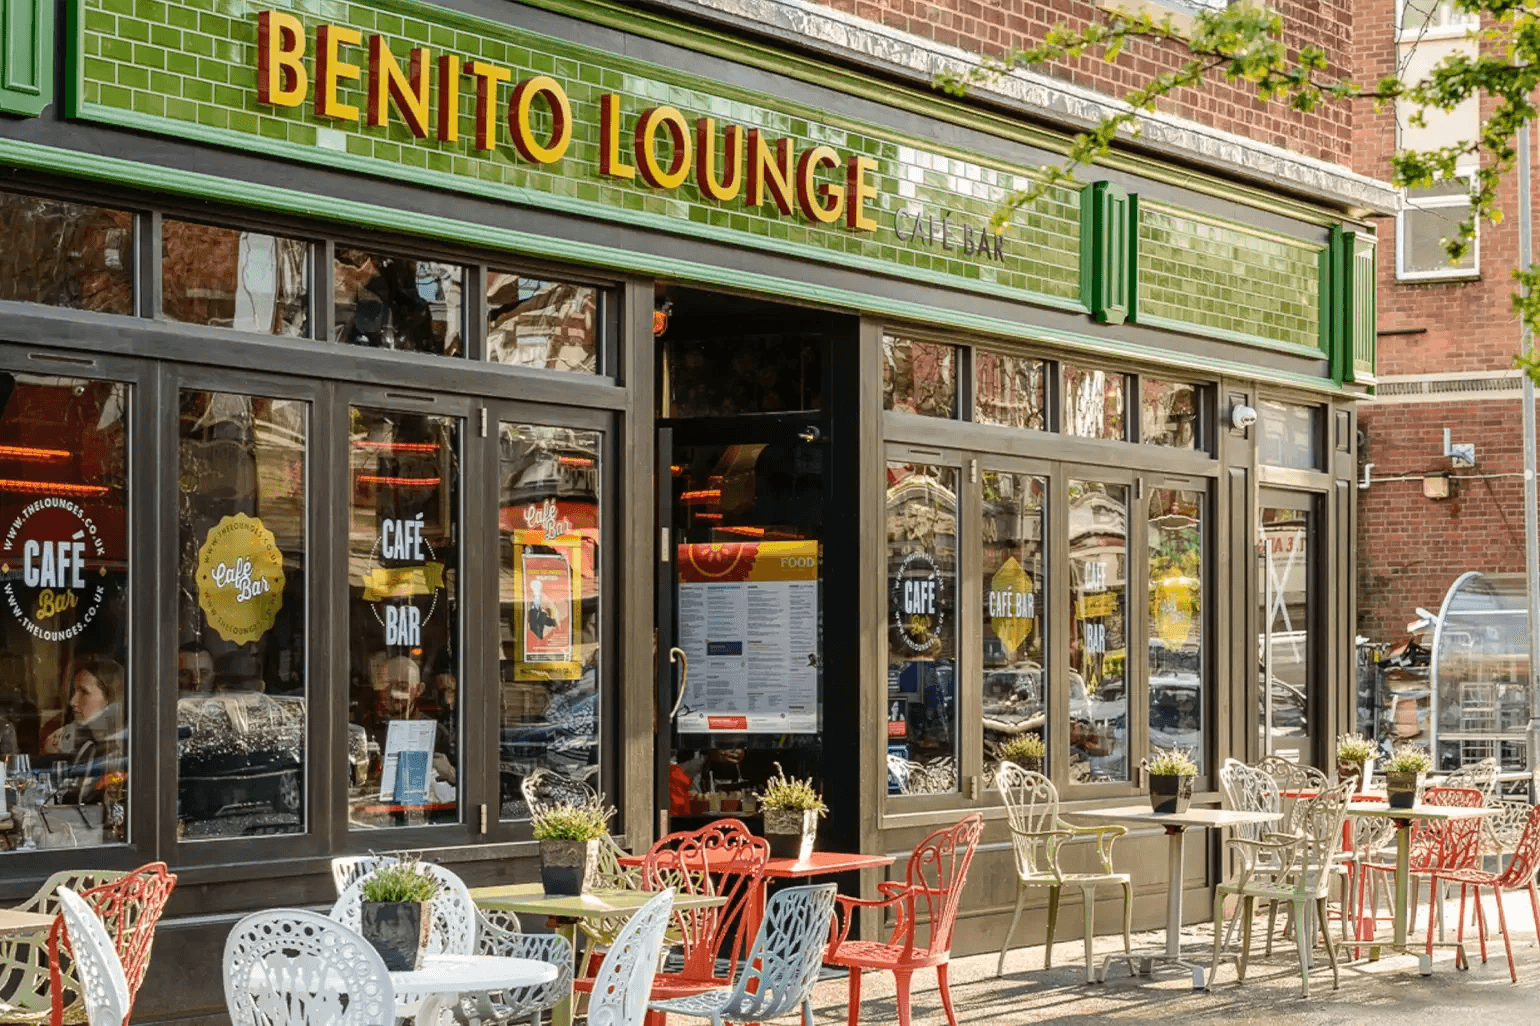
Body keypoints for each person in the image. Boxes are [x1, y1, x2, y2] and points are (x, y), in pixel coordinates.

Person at [45, 657, 126, 806]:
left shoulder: (123, 748)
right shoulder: (85, 743)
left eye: (84, 692)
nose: (72, 701)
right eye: (74, 692)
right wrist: (55, 756)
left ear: (110, 698)